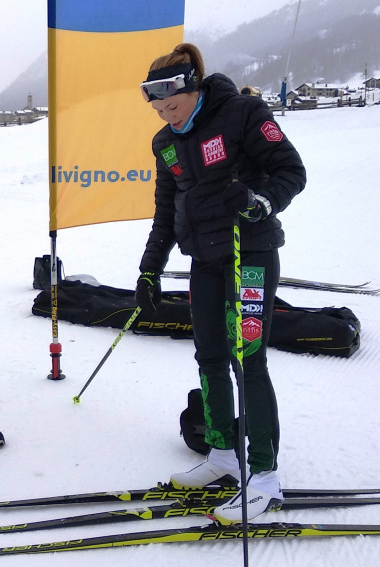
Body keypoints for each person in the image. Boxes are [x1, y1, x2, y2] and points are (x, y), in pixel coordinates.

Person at [135, 43, 306, 523]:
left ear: (193, 89)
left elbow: (291, 171)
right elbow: (166, 213)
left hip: (247, 254)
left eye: (173, 103)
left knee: (247, 362)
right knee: (208, 355)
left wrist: (259, 200)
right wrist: (149, 268)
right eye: (157, 106)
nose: (166, 113)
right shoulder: (165, 143)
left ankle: (265, 478)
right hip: (205, 262)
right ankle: (223, 455)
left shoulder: (243, 114)